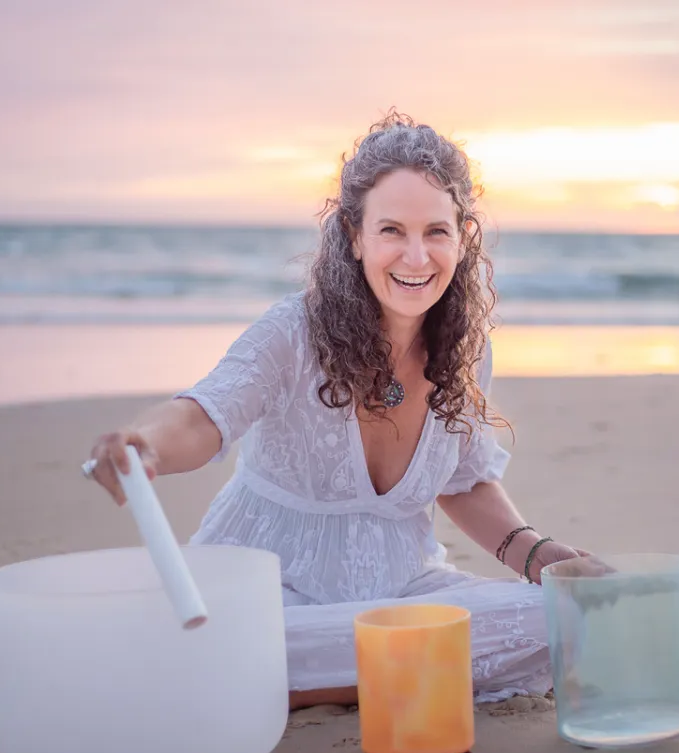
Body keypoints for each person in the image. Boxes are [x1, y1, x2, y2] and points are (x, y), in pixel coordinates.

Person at [86, 111, 597, 709]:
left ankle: (327, 677)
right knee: (230, 641)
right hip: (272, 596)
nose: (416, 256)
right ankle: (383, 670)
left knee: (560, 616)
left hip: (403, 594)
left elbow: (465, 482)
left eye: (436, 231)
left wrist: (535, 554)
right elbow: (205, 414)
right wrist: (145, 443)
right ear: (354, 236)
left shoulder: (467, 350)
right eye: (391, 230)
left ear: (463, 237)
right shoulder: (292, 332)